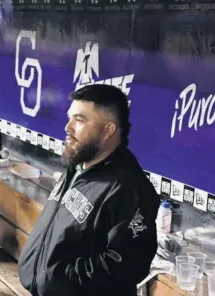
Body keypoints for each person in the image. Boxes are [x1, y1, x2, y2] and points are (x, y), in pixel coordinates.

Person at [17, 84, 160, 296]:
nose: (68, 127)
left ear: (108, 130)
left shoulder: (129, 187)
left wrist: (59, 277)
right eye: (70, 117)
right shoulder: (78, 166)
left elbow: (127, 265)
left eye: (80, 120)